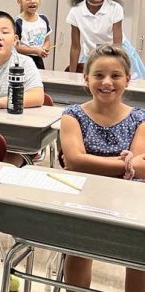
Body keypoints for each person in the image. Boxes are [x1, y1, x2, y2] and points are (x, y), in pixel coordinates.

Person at [60, 45, 145, 291]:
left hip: (127, 201)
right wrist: (125, 164)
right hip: (83, 198)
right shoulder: (72, 115)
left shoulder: (139, 118)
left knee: (138, 251)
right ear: (86, 78)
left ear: (127, 79)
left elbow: (139, 167)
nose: (106, 82)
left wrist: (93, 163)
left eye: (116, 75)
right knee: (78, 247)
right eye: (98, 75)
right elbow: (75, 160)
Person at [67, 0, 122, 73]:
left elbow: (117, 44)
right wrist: (71, 74)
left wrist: (114, 68)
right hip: (92, 54)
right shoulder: (76, 12)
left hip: (115, 54)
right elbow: (75, 47)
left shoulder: (115, 8)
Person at [14, 0, 51, 70]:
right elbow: (16, 47)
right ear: (19, 2)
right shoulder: (17, 22)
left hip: (38, 61)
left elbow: (47, 40)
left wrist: (44, 48)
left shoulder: (43, 19)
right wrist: (35, 50)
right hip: (22, 62)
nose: (32, 1)